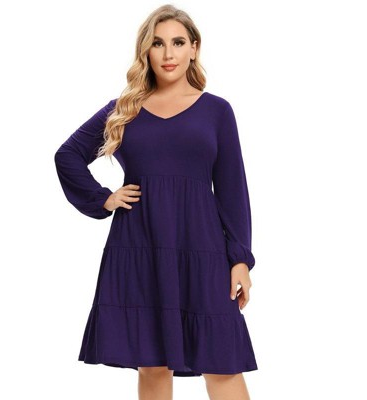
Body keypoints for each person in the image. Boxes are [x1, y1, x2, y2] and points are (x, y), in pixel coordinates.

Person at [54, 4, 257, 400]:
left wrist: (240, 260)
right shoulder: (124, 109)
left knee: (222, 363)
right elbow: (68, 156)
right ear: (145, 51)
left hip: (203, 250)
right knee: (152, 363)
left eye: (178, 43)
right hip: (139, 246)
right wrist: (103, 199)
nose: (168, 54)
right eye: (158, 44)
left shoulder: (217, 111)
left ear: (194, 48)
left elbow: (233, 190)